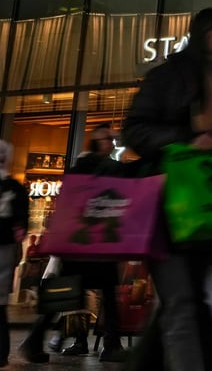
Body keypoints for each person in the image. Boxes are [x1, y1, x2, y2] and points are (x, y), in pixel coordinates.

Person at [123, 7, 212, 371]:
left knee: (188, 301)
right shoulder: (170, 76)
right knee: (184, 302)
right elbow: (135, 130)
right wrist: (186, 140)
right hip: (169, 206)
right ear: (202, 33)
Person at [20, 123, 127, 364]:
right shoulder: (104, 168)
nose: (110, 142)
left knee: (65, 293)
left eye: (111, 139)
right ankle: (111, 345)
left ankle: (35, 341)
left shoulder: (78, 170)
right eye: (107, 139)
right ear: (97, 143)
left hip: (80, 242)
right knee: (105, 295)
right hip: (97, 242)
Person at [0, 139, 29, 367]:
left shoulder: (15, 189)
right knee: (0, 304)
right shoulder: (16, 189)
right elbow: (22, 224)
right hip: (7, 247)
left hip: (6, 248)